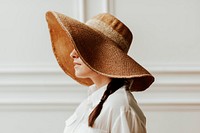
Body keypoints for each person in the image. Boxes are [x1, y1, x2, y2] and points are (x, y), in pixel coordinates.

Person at [45, 11, 154, 133]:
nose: (73, 54)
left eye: (81, 47)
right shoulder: (92, 100)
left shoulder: (121, 106)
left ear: (104, 56)